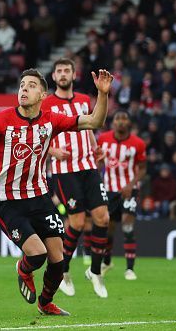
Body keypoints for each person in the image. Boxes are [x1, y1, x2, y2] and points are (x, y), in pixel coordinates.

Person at [0, 68, 113, 316]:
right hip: (10, 202)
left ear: (43, 94)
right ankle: (23, 268)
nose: (24, 89)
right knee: (37, 255)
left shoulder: (51, 119)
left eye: (31, 85)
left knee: (58, 259)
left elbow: (95, 121)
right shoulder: (1, 119)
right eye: (21, 85)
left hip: (39, 198)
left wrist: (102, 94)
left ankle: (45, 302)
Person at [42, 58, 109, 298]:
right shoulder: (47, 103)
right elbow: (38, 135)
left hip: (89, 165)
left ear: (73, 74)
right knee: (78, 223)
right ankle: (63, 271)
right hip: (64, 170)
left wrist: (97, 147)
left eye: (66, 70)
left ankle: (95, 271)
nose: (62, 74)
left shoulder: (83, 100)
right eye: (59, 70)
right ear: (54, 76)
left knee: (103, 218)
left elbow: (89, 127)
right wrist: (53, 152)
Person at [97, 110, 147, 281]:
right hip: (109, 189)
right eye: (118, 118)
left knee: (127, 225)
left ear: (128, 123)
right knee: (108, 228)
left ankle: (130, 269)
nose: (120, 121)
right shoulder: (103, 139)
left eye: (124, 118)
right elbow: (98, 161)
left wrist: (130, 185)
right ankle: (107, 261)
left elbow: (143, 168)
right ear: (113, 122)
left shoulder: (138, 144)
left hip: (130, 190)